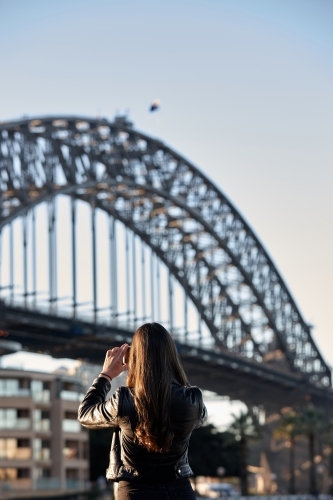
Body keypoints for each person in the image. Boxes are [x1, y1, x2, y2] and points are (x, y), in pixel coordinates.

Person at [78, 322, 207, 499]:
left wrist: (105, 376)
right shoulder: (193, 400)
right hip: (180, 492)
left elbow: (85, 414)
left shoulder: (123, 400)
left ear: (134, 357)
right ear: (171, 356)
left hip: (134, 493)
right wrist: (176, 374)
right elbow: (200, 417)